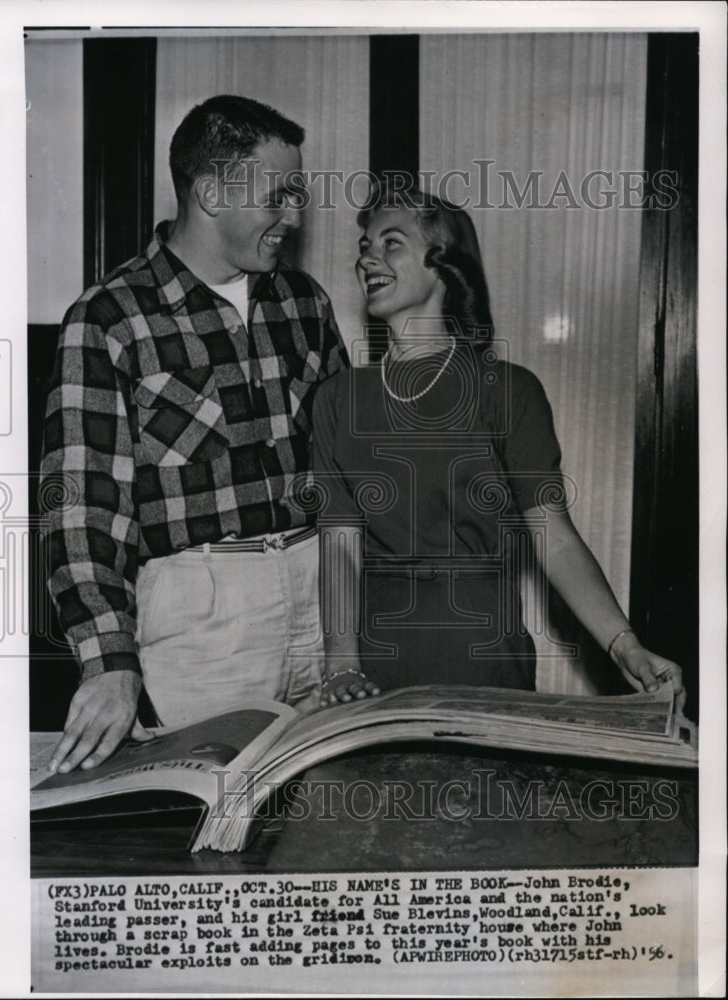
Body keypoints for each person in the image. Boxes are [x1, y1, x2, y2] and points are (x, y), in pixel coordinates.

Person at [40, 95, 348, 773]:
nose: (293, 216)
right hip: (203, 623)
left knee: (321, 815)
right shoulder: (109, 319)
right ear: (210, 193)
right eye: (279, 196)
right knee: (212, 829)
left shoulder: (305, 304)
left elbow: (346, 476)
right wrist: (107, 661)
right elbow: (81, 511)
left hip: (318, 601)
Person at [311, 183, 685, 711]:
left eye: (391, 243)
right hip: (374, 666)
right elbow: (340, 546)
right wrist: (341, 665)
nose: (367, 257)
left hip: (482, 654)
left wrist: (625, 646)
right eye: (364, 247)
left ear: (441, 262)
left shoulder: (509, 390)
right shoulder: (337, 399)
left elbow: (553, 538)